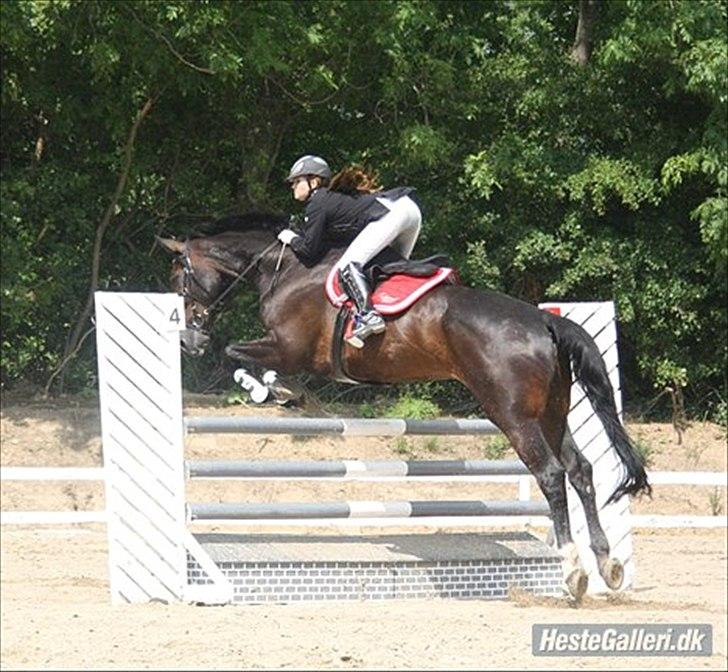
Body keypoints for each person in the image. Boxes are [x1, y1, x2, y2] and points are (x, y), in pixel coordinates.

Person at [277, 155, 422, 347]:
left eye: (297, 181)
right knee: (389, 271)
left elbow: (309, 250)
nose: (293, 186)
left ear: (314, 181)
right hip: (409, 211)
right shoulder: (330, 200)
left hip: (394, 214)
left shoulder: (317, 202)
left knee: (346, 267)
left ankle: (369, 316)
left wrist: (290, 238)